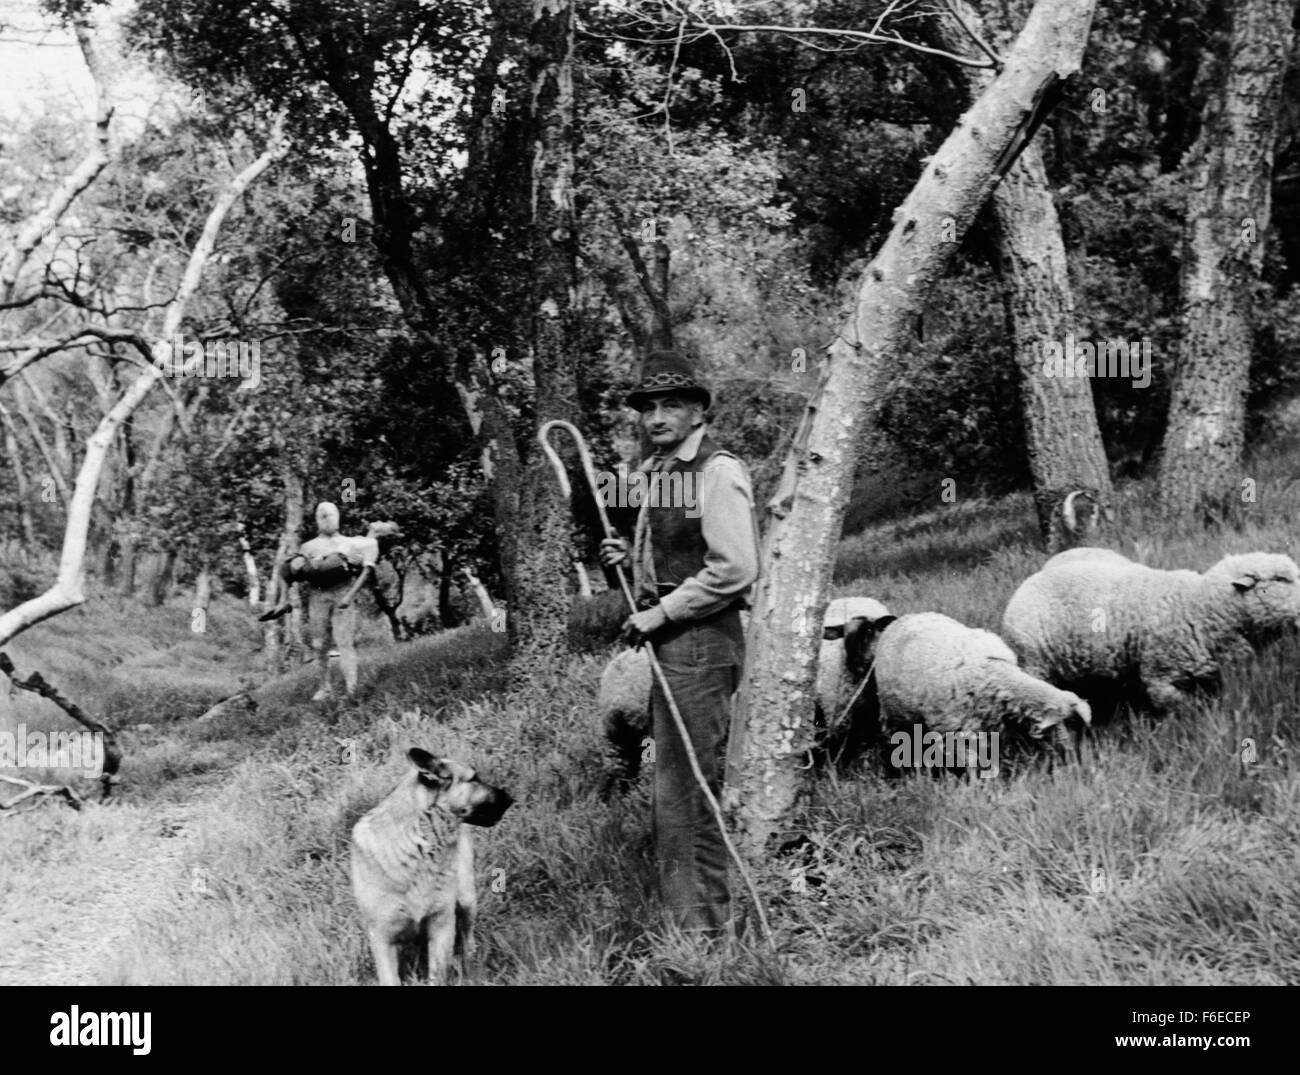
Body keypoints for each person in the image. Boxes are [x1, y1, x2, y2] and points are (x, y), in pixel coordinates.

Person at [599, 350, 760, 939]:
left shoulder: (717, 471)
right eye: (649, 407)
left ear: (698, 412)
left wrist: (660, 611)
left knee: (690, 797)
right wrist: (630, 563)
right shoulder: (662, 472)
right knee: (672, 794)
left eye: (671, 405)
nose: (657, 417)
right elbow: (673, 552)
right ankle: (688, 932)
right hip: (674, 642)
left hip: (701, 643)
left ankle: (709, 939)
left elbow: (737, 567)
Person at [260, 502, 379, 700]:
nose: (327, 519)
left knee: (344, 642)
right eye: (322, 516)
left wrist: (350, 596)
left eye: (331, 514)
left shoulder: (352, 543)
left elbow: (367, 569)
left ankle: (351, 688)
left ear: (338, 517)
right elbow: (290, 570)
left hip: (342, 592)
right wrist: (302, 564)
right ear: (316, 521)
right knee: (318, 644)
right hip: (318, 596)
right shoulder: (309, 546)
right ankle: (324, 687)